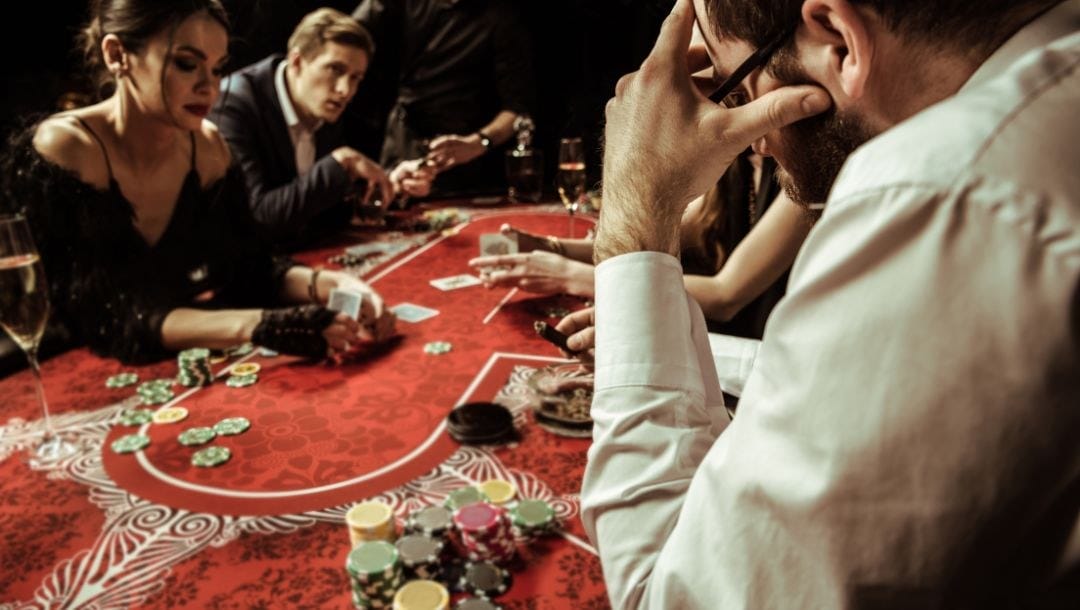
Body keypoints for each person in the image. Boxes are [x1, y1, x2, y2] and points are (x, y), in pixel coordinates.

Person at [559, 0, 1080, 607]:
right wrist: (678, 344)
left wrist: (635, 208)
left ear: (839, 41)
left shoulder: (943, 192)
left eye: (735, 88)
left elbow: (667, 594)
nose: (749, 141)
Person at [1, 0, 396, 365]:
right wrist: (257, 326)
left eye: (218, 68)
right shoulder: (68, 148)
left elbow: (249, 269)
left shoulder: (208, 148)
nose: (210, 88)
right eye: (186, 64)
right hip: (54, 378)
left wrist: (333, 283)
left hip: (169, 367)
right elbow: (107, 320)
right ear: (117, 54)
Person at [469, 153, 814, 338]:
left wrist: (568, 275)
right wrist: (549, 246)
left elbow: (725, 296)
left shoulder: (807, 177)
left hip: (761, 368)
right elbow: (669, 237)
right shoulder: (737, 159)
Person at [211, 7, 434, 248]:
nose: (345, 90)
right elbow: (260, 219)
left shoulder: (320, 101)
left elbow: (318, 206)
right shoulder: (232, 106)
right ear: (296, 62)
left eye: (355, 78)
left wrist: (385, 186)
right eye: (335, 70)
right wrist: (340, 162)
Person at [351, 0, 536, 198]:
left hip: (465, 158)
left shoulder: (501, 16)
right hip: (402, 141)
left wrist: (477, 143)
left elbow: (518, 110)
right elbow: (343, 35)